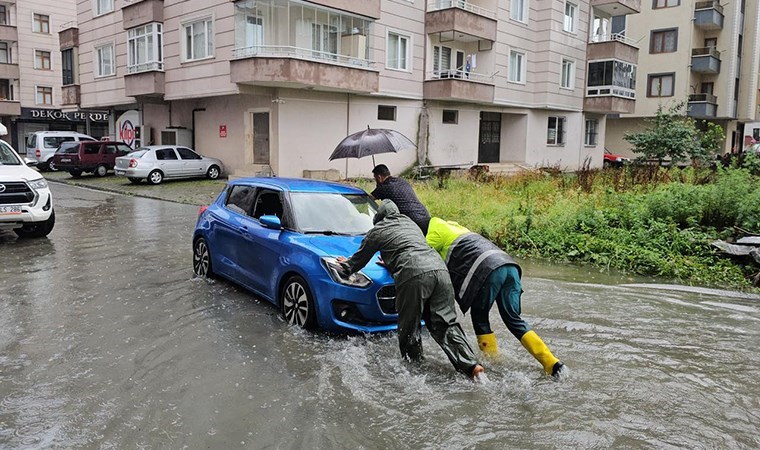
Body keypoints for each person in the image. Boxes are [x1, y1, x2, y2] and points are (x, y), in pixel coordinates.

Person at [337, 200, 484, 379]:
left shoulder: (378, 230)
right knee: (446, 323)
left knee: (409, 326)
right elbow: (411, 247)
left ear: (379, 218)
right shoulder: (410, 223)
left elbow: (359, 259)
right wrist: (393, 260)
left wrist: (344, 265)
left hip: (414, 275)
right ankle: (472, 367)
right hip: (439, 270)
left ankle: (414, 371)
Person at [426, 217, 566, 378]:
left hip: (489, 270)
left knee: (480, 316)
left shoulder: (433, 229)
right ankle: (552, 363)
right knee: (513, 319)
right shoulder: (455, 226)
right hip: (509, 265)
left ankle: (492, 362)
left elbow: (421, 255)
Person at [370, 164, 431, 234]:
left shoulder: (383, 187)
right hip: (425, 216)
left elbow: (369, 198)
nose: (375, 180)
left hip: (412, 222)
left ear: (379, 177)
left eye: (375, 178)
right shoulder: (402, 181)